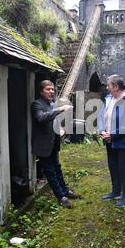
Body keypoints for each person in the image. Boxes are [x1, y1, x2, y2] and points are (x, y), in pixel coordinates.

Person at [31, 80, 82, 209]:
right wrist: (60, 109)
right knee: (50, 172)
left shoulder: (52, 104)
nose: (51, 91)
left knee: (57, 168)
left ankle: (65, 191)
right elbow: (41, 118)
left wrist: (59, 129)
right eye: (48, 89)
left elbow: (53, 121)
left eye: (53, 89)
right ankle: (61, 197)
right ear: (41, 91)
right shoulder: (36, 105)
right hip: (43, 145)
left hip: (53, 143)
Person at [97, 75, 125, 208]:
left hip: (124, 141)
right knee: (113, 166)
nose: (107, 87)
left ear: (115, 87)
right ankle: (115, 191)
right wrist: (102, 130)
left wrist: (113, 135)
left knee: (123, 168)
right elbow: (100, 116)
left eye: (108, 85)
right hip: (109, 139)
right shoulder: (108, 99)